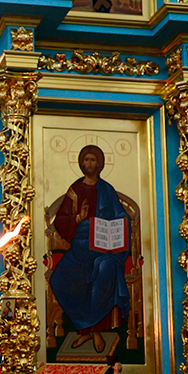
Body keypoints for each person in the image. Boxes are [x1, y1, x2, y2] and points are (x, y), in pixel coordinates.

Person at [48, 144, 131, 353]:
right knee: (58, 279)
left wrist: (122, 221)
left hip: (104, 249)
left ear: (100, 164)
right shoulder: (75, 190)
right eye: (86, 160)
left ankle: (94, 331)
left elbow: (120, 215)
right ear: (81, 163)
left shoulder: (107, 190)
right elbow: (60, 221)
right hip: (80, 249)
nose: (89, 163)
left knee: (105, 269)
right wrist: (78, 218)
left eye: (93, 160)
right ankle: (84, 329)